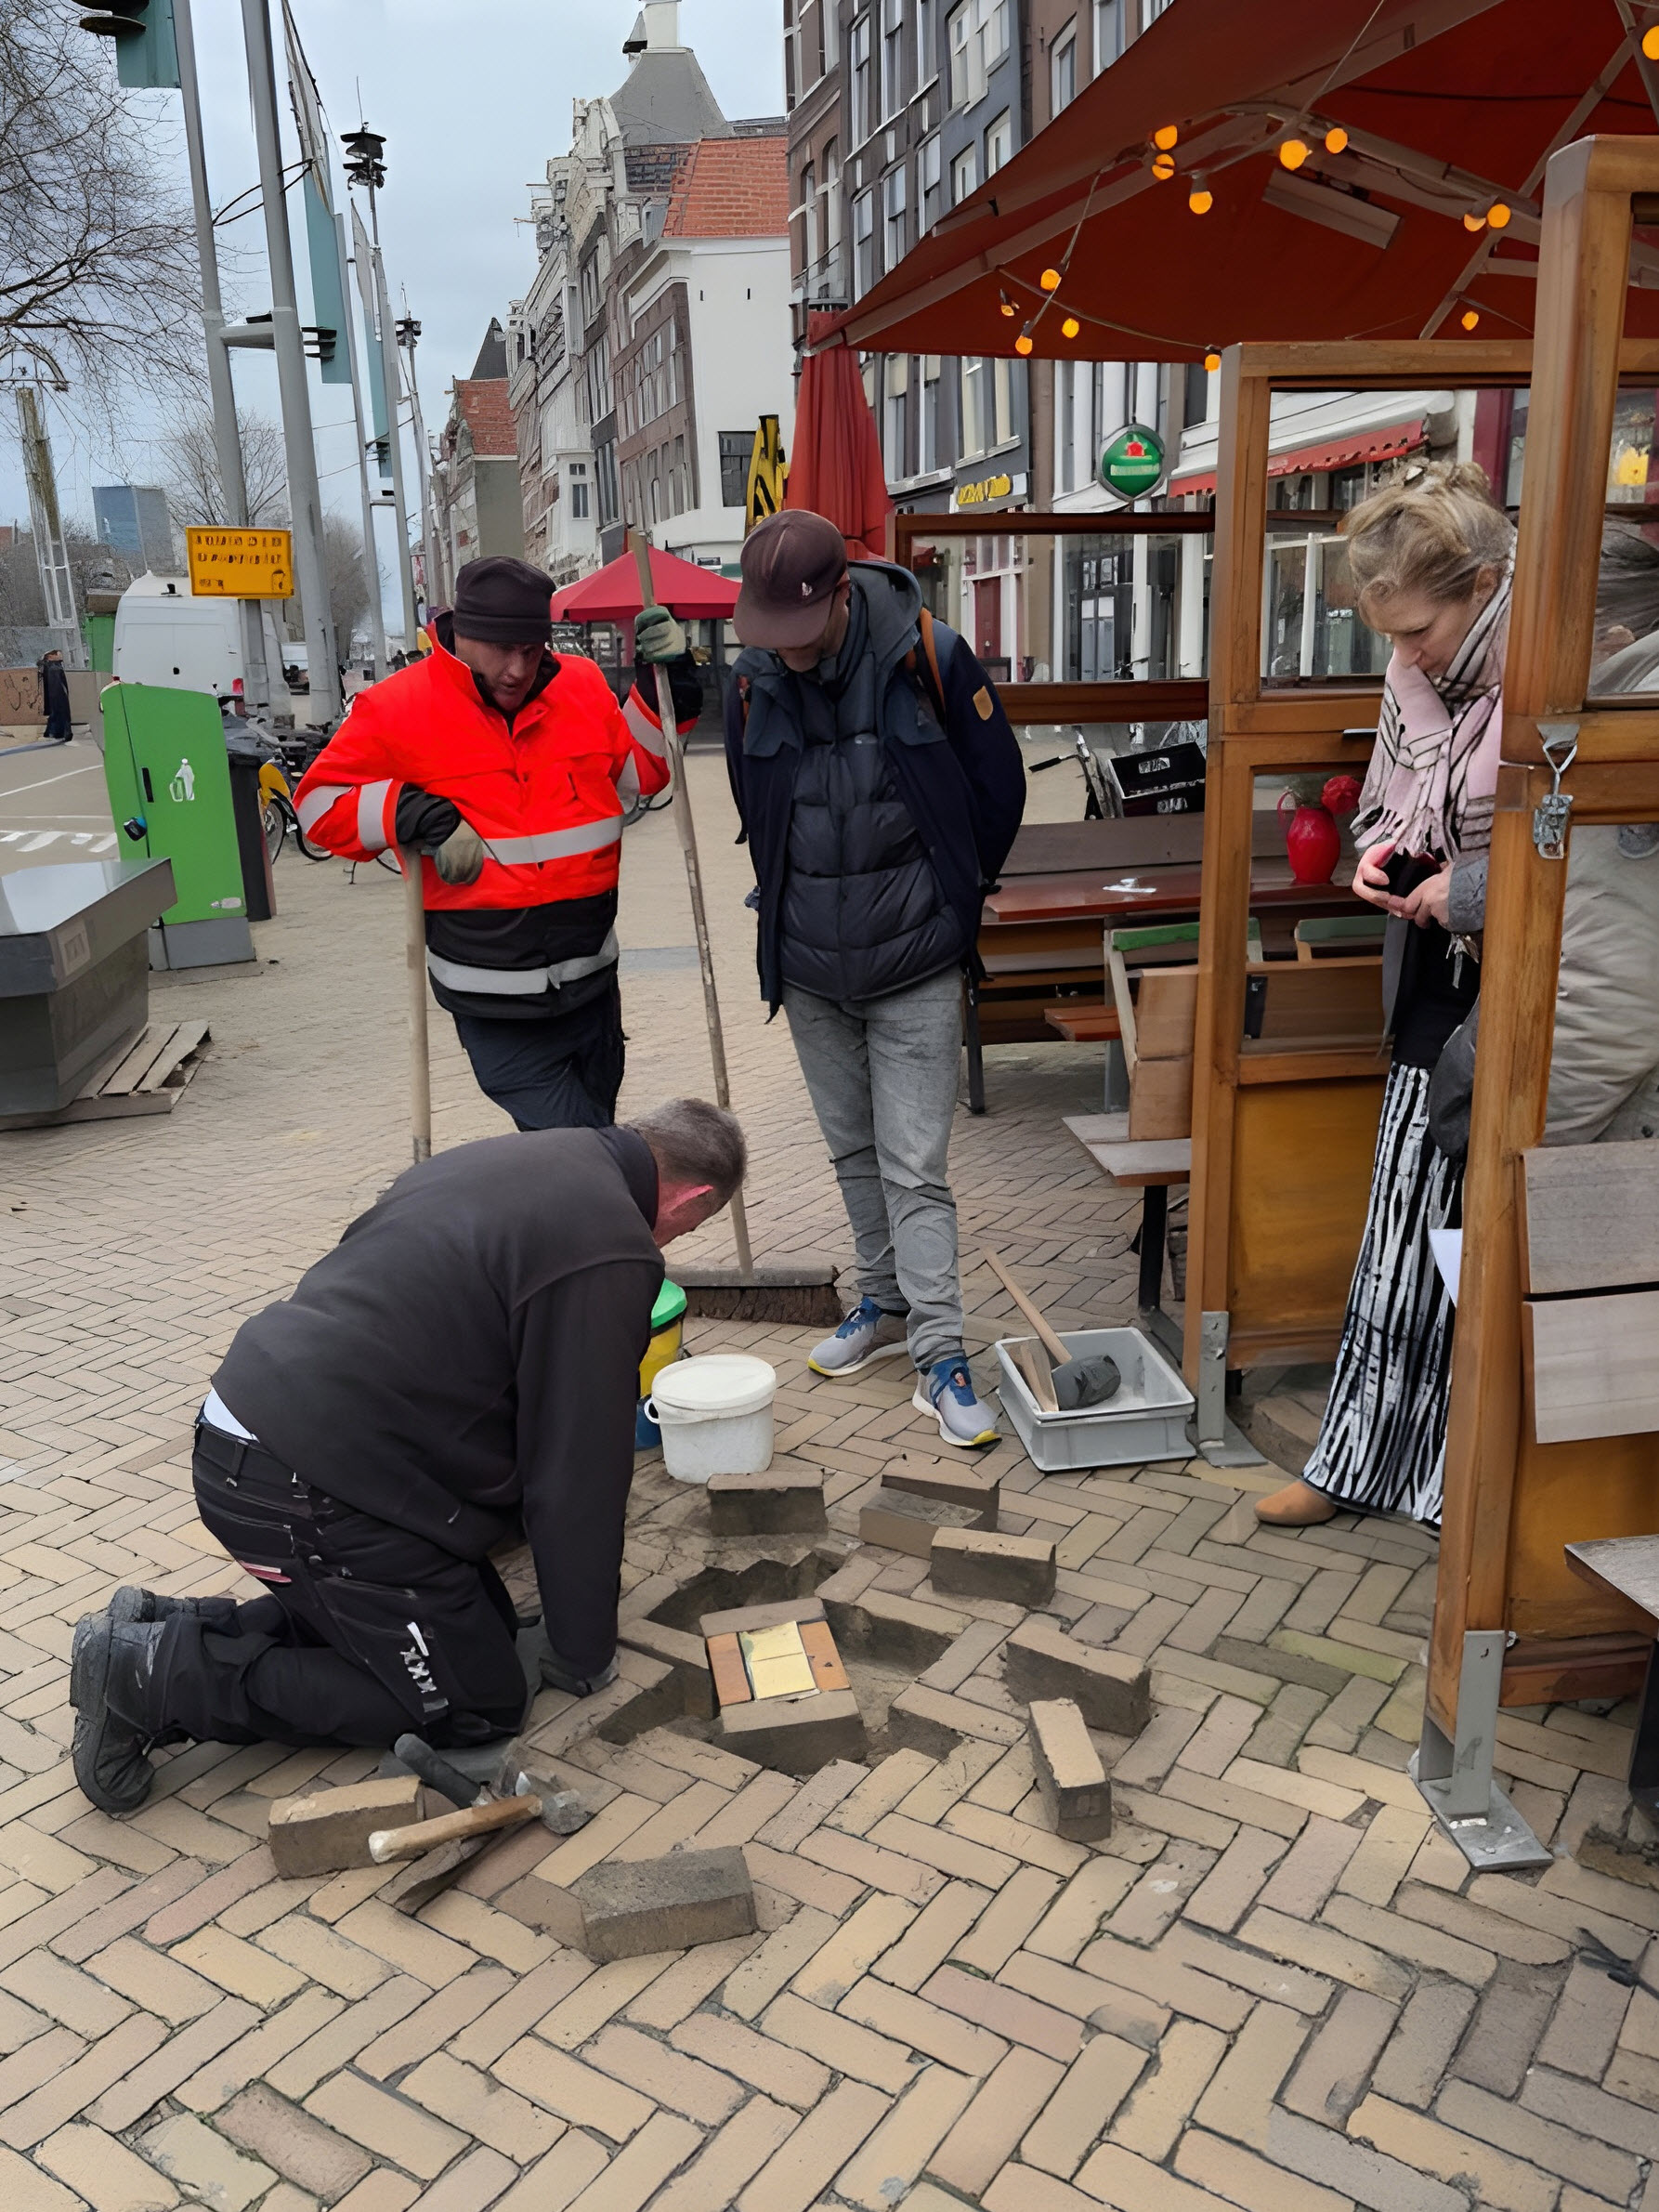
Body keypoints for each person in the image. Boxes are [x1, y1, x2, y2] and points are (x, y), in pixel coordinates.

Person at [67, 1099, 745, 1814]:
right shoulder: (613, 1246)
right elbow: (578, 1470)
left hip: (265, 1426)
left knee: (480, 1632)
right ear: (691, 1198)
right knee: (476, 1703)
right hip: (303, 1484)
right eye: (686, 1229)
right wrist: (584, 1650)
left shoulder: (528, 1159)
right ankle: (152, 1677)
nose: (669, 1243)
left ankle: (169, 1626)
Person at [725, 510, 1025, 1449]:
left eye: (800, 631)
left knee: (914, 1167)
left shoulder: (929, 656)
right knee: (853, 1152)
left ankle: (941, 1355)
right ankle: (883, 1302)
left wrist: (950, 897)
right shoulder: (753, 682)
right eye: (771, 633)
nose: (788, 651)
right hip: (810, 966)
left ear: (842, 597)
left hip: (916, 961)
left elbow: (1000, 791)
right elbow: (753, 802)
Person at [1258, 463, 1510, 1530]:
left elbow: (1582, 852)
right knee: (1400, 1232)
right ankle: (1357, 1458)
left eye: (1418, 630)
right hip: (1432, 986)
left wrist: (1469, 890)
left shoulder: (1559, 676)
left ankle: (1463, 1481)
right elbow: (1386, 801)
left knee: (1484, 1246)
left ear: (1485, 585)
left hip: (1528, 995)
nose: (1405, 656)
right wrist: (1378, 855)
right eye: (1390, 635)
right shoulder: (1417, 679)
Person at [294, 556, 700, 1130]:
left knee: (588, 1151)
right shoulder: (396, 707)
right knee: (585, 1153)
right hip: (494, 1003)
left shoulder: (582, 686)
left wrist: (670, 690)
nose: (517, 670)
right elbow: (317, 807)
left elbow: (642, 770)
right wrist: (416, 812)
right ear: (462, 634)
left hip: (592, 991)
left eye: (531, 651)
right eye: (501, 650)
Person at [38, 648, 71, 742]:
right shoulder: (54, 668)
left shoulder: (50, 667)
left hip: (54, 696)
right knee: (60, 714)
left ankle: (54, 732)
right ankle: (61, 733)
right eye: (57, 654)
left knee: (56, 714)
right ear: (51, 656)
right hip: (58, 695)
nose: (60, 655)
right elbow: (58, 685)